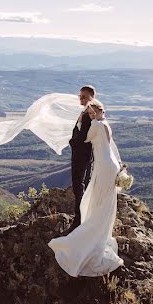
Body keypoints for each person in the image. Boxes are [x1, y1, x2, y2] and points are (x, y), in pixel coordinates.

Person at [47, 99, 124, 277]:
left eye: (92, 113)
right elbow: (110, 146)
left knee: (100, 199)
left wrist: (82, 119)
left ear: (99, 111)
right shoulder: (106, 123)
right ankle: (100, 230)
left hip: (104, 166)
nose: (91, 116)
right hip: (110, 165)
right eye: (89, 114)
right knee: (105, 200)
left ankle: (93, 231)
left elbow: (85, 138)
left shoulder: (96, 125)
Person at [68, 85, 95, 231]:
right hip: (80, 154)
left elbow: (83, 137)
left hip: (82, 155)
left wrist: (72, 142)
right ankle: (80, 216)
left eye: (84, 96)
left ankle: (79, 218)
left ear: (92, 97)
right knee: (79, 184)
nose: (81, 98)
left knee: (79, 185)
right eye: (80, 96)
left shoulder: (89, 114)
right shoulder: (85, 112)